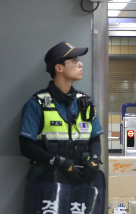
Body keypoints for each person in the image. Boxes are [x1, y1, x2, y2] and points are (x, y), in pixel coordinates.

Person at [19, 41, 104, 186]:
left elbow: (95, 138)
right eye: (74, 61)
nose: (81, 64)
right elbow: (26, 146)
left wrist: (95, 160)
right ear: (59, 68)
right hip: (47, 183)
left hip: (81, 181)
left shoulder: (84, 102)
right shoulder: (37, 104)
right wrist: (60, 163)